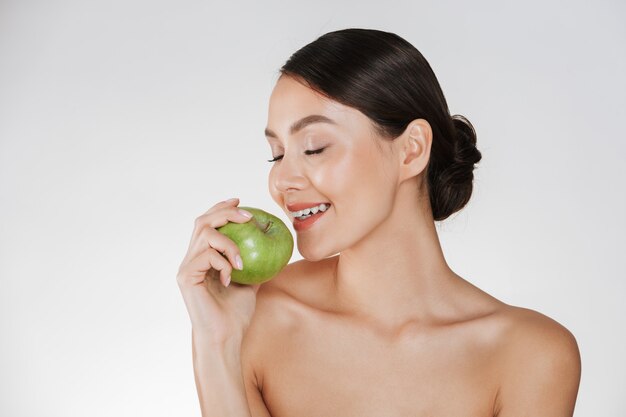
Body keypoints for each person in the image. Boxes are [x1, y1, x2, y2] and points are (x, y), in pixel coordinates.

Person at [176, 28, 581, 417]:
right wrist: (217, 345)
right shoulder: (255, 318)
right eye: (277, 154)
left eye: (314, 147)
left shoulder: (530, 355)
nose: (281, 181)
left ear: (411, 150)